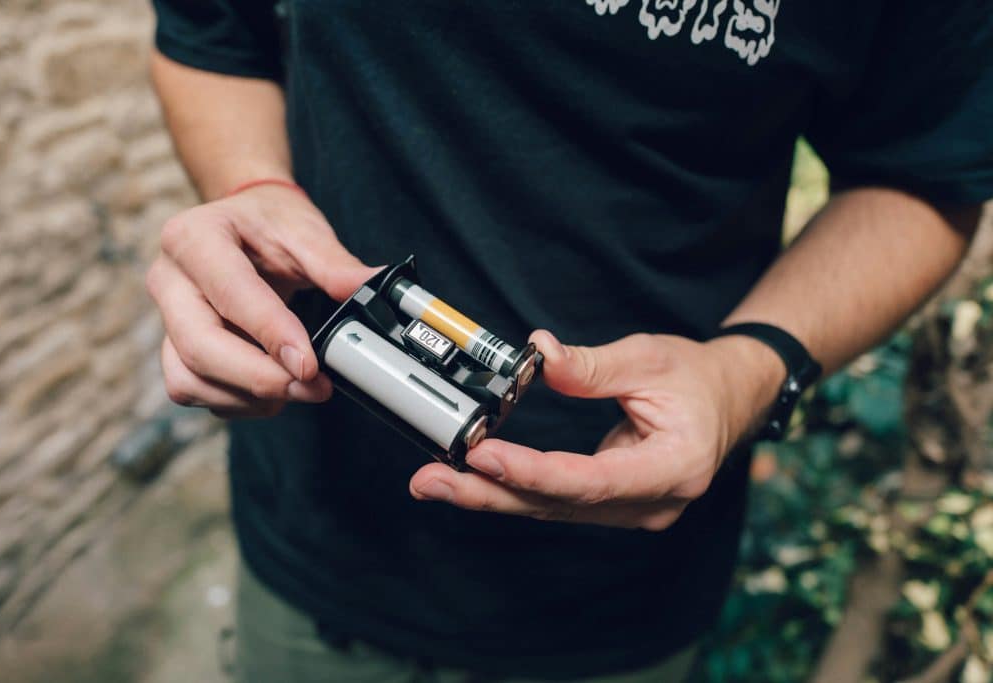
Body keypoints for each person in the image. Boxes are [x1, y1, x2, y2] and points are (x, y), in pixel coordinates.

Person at [144, 2, 993, 681]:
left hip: (620, 598)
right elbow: (211, 34)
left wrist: (745, 370)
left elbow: (924, 174)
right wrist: (251, 189)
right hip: (319, 537)